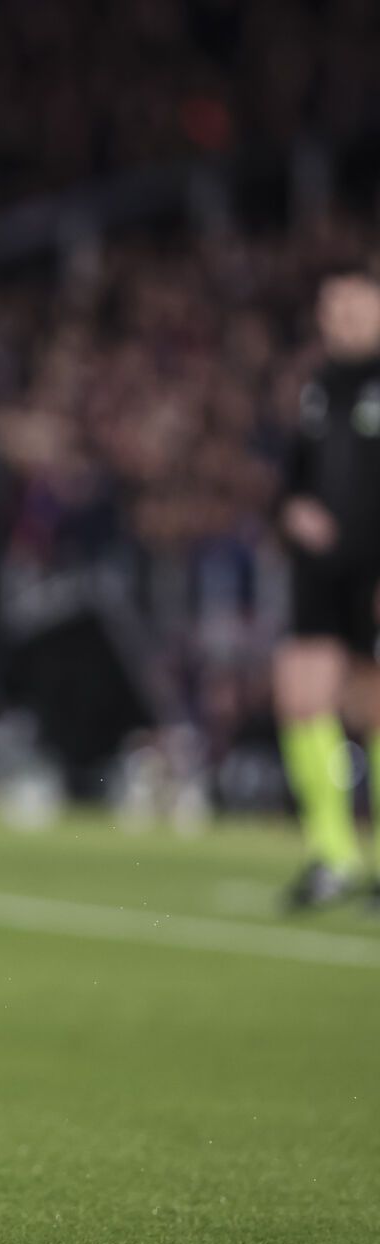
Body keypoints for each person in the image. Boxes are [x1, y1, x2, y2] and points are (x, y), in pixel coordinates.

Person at [276, 269, 380, 911]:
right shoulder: (317, 386)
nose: (342, 317)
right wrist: (292, 509)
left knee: (372, 706)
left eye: (354, 305)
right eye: (331, 306)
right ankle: (334, 854)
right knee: (299, 695)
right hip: (319, 571)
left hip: (373, 568)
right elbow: (293, 475)